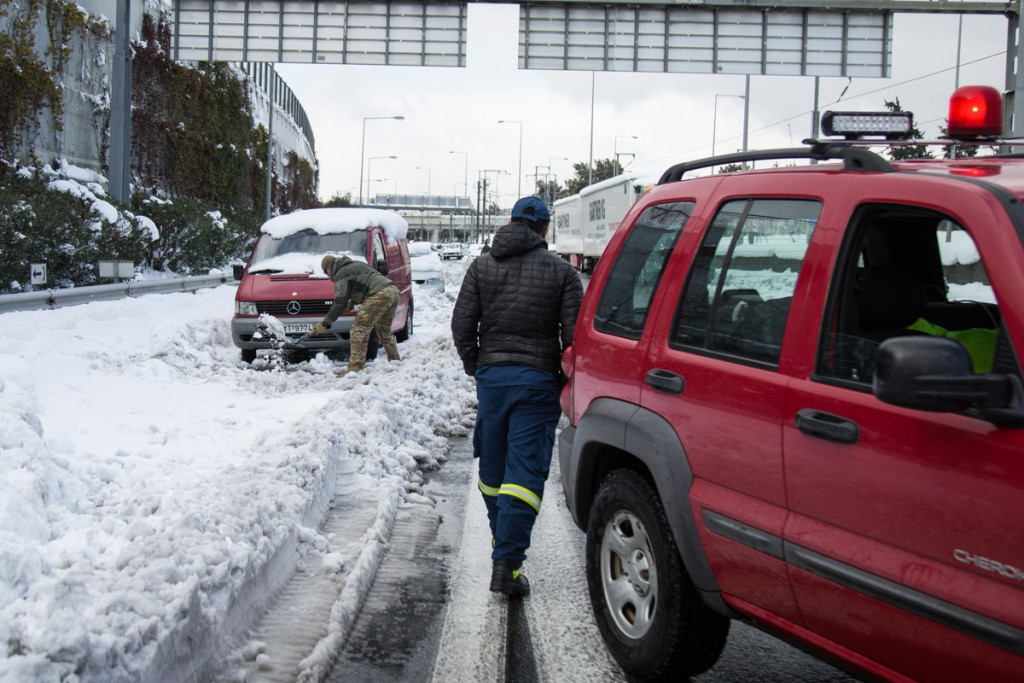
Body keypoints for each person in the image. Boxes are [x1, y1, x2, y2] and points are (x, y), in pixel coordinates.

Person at [451, 196, 583, 596]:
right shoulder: (563, 273)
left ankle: (501, 546)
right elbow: (574, 339)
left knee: (492, 471)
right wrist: (562, 380)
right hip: (539, 383)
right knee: (523, 474)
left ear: (510, 223)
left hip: (493, 380)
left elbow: (462, 325)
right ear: (544, 230)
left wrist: (479, 366)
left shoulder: (481, 266)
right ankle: (507, 562)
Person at [312, 254, 401, 375]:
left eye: (325, 271)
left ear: (330, 266)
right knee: (383, 329)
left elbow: (340, 301)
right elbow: (365, 284)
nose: (327, 275)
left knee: (358, 330)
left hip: (379, 294)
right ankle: (395, 361)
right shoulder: (353, 265)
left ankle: (354, 370)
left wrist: (325, 323)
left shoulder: (341, 273)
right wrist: (352, 303)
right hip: (392, 291)